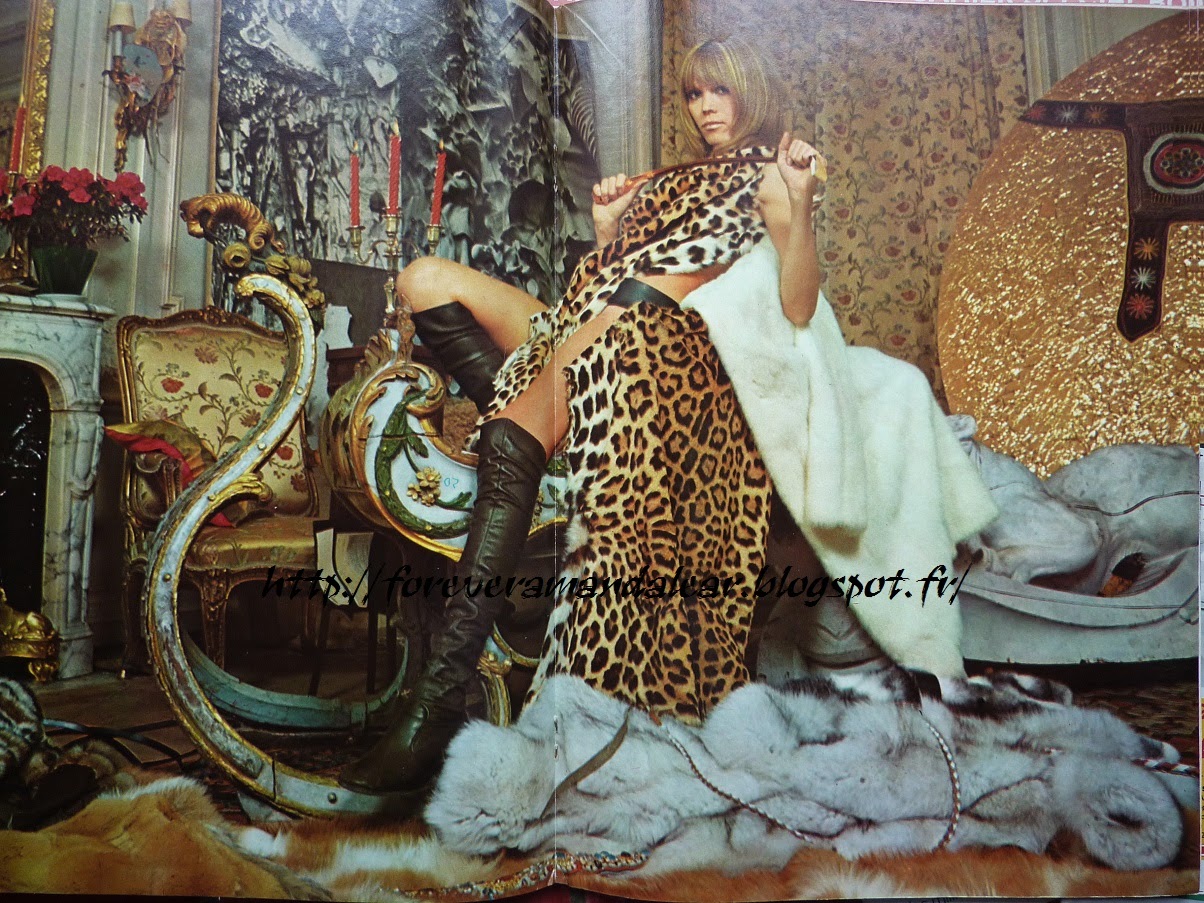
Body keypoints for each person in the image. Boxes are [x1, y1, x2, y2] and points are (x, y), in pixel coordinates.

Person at [341, 37, 988, 796]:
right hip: (587, 327)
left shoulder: (774, 171)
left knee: (523, 422)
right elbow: (607, 274)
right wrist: (608, 227)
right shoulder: (670, 179)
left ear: (752, 90)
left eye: (720, 90)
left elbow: (798, 302)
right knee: (424, 278)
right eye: (693, 94)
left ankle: (437, 700)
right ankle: (537, 430)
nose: (705, 107)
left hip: (658, 350)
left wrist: (801, 206)